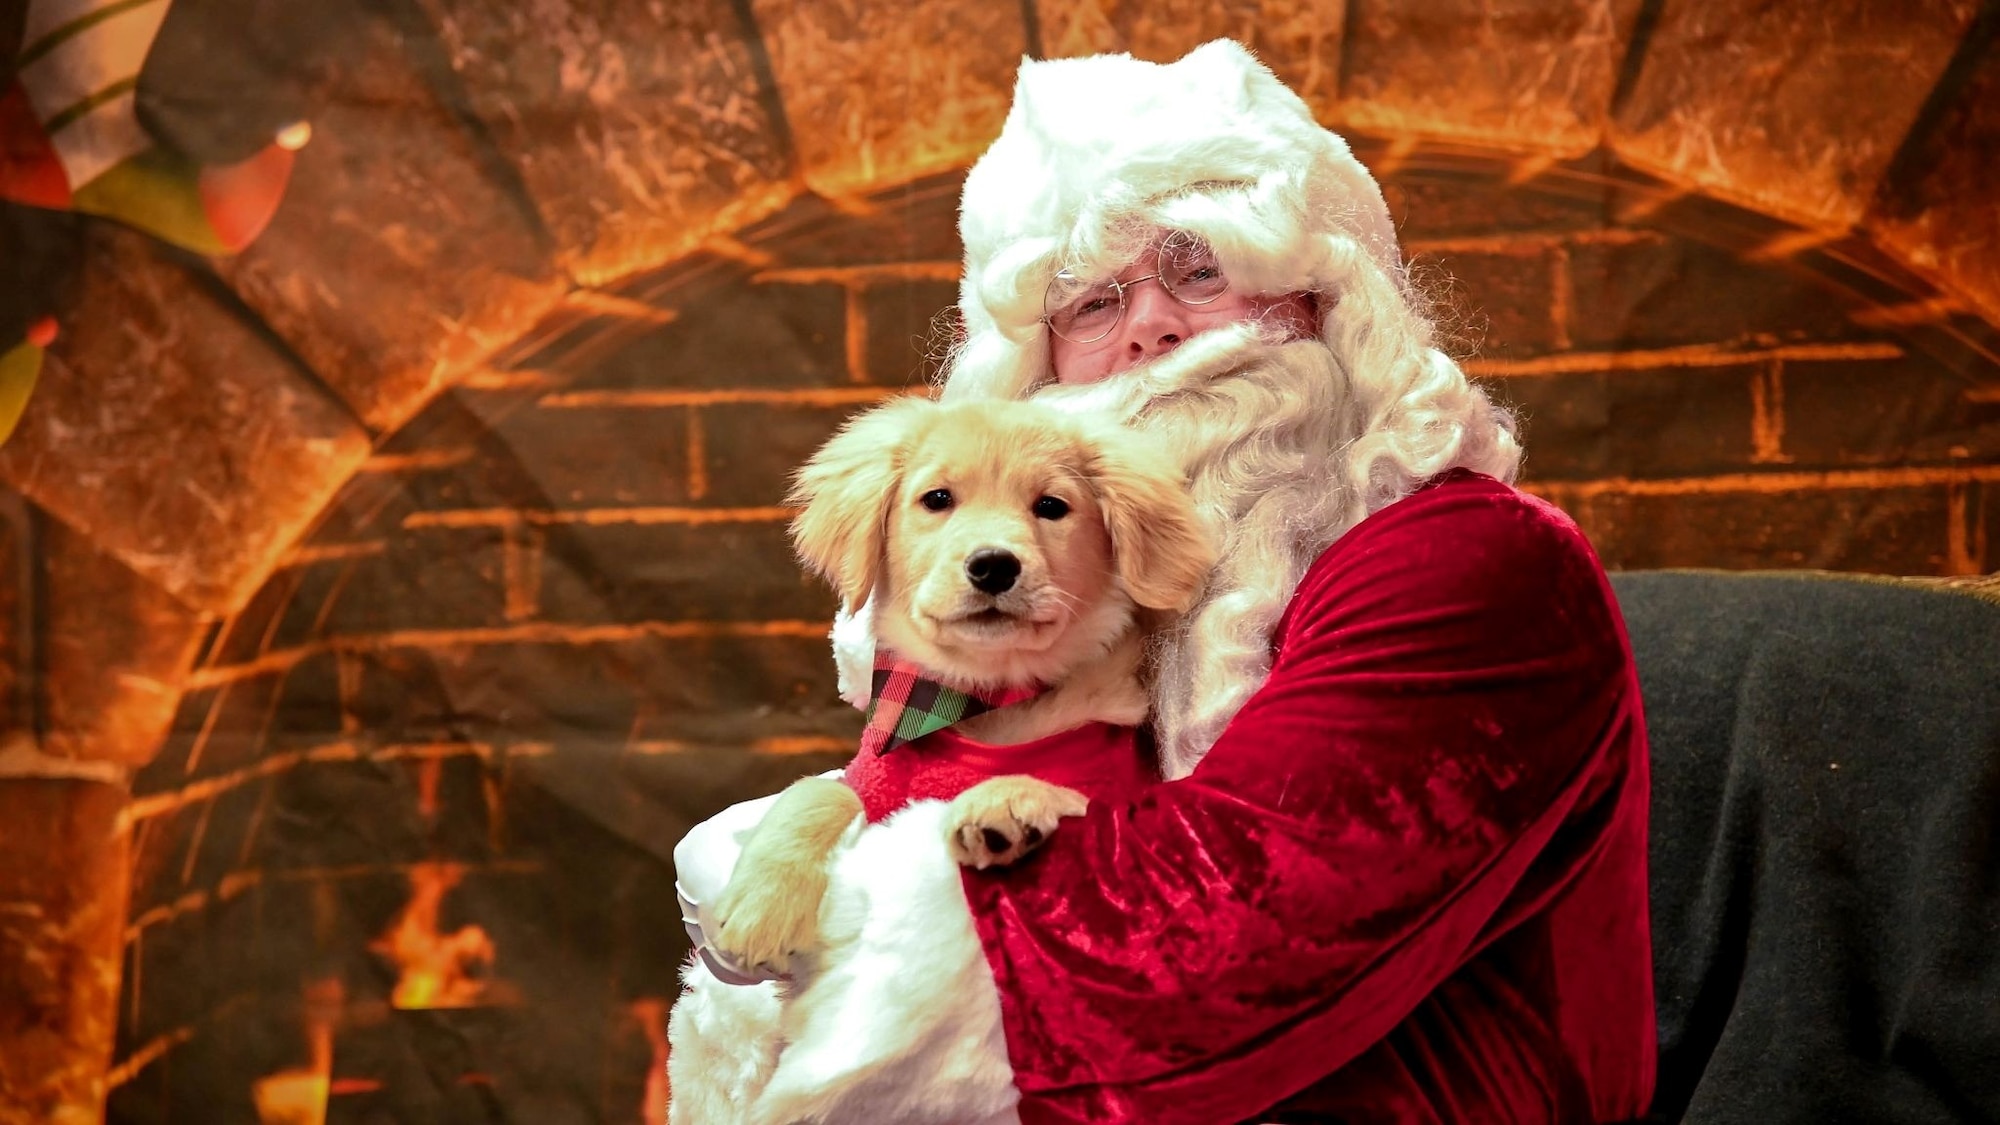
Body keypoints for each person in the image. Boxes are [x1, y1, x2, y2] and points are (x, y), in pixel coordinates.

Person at [671, 38, 1655, 1125]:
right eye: (1090, 305)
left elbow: (1215, 949)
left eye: (1200, 269)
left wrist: (838, 907)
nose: (1149, 326)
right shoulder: (1080, 594)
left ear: (1328, 303)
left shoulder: (1469, 559)